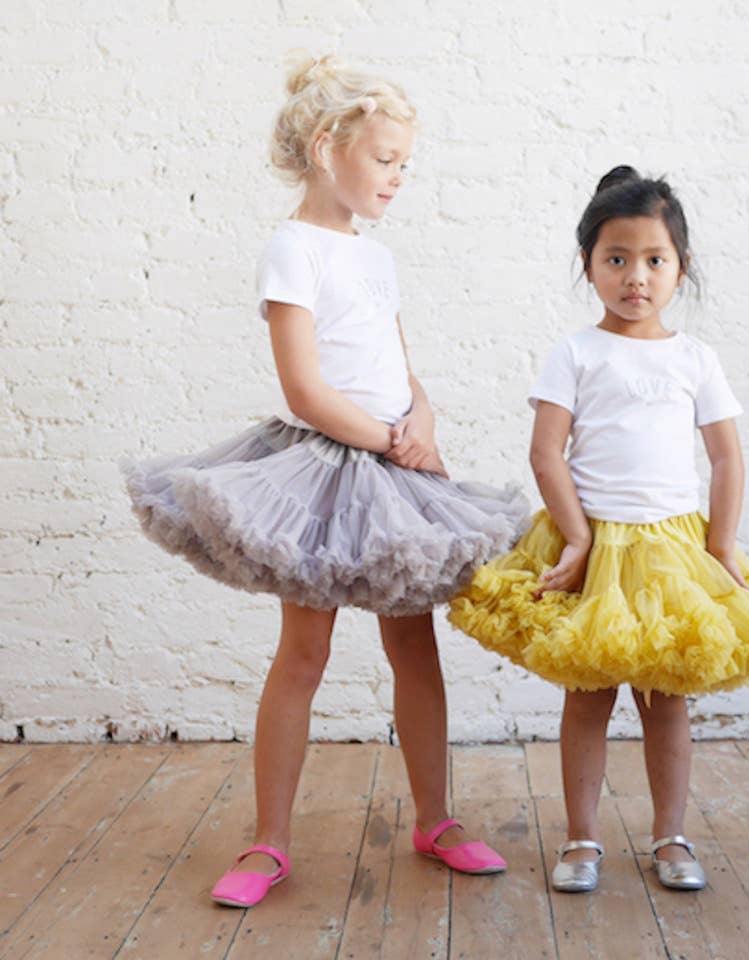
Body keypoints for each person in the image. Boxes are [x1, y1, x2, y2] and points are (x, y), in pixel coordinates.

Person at [122, 53, 527, 908]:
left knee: (413, 644)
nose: (398, 178)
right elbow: (305, 388)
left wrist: (421, 419)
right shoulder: (291, 249)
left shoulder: (376, 258)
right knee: (303, 653)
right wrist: (388, 436)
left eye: (404, 164)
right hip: (321, 471)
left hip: (393, 469)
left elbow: (399, 363)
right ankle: (269, 840)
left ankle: (435, 817)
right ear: (323, 149)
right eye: (385, 160)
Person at [449, 166, 749, 894]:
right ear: (589, 265)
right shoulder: (577, 352)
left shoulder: (693, 358)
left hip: (672, 548)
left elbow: (726, 454)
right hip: (593, 539)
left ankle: (670, 835)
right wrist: (577, 537)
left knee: (666, 696)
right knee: (587, 693)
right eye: (616, 259)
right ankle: (582, 837)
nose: (635, 276)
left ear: (681, 268)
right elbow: (546, 450)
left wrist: (719, 545)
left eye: (654, 260)